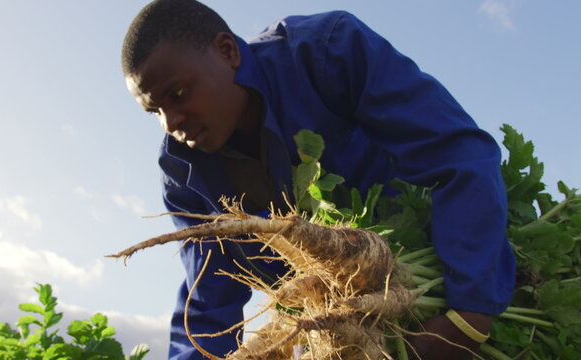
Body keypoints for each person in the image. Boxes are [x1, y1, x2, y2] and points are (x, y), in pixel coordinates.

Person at [121, 0, 516, 359]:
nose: (170, 123)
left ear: (227, 52)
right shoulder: (182, 170)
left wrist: (468, 316)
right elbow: (208, 296)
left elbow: (457, 156)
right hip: (342, 339)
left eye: (177, 93)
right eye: (153, 110)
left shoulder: (326, 51)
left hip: (439, 285)